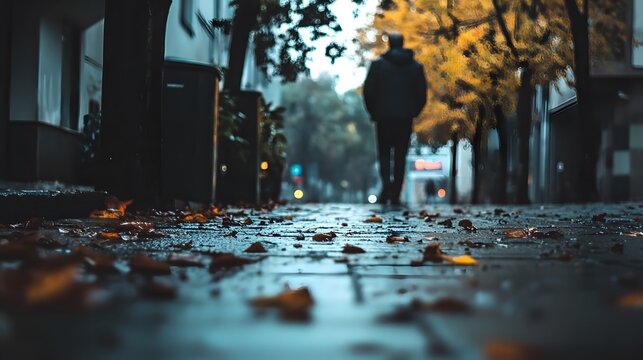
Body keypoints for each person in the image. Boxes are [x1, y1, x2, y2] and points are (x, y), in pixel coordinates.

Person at [363, 33, 427, 205]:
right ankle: (396, 192)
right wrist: (414, 112)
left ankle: (386, 187)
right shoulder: (416, 67)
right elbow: (422, 94)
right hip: (405, 118)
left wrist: (373, 112)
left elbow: (368, 91)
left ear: (389, 44)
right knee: (400, 155)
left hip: (383, 118)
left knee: (384, 154)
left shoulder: (377, 66)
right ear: (403, 43)